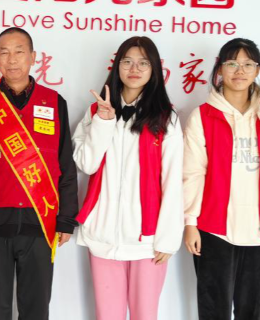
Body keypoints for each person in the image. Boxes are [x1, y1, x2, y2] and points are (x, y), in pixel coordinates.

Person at [0, 27, 78, 320]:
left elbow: (65, 163)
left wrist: (66, 219)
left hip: (40, 222)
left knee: (36, 308)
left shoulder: (53, 102)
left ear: (33, 57)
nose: (12, 59)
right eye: (4, 52)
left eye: (19, 52)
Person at [73, 36, 183, 320]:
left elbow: (173, 181)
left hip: (147, 239)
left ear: (154, 69)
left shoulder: (166, 118)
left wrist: (168, 239)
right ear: (117, 67)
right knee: (107, 314)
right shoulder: (96, 112)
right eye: (127, 62)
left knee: (145, 314)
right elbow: (86, 164)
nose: (134, 69)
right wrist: (104, 121)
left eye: (143, 63)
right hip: (102, 235)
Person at [183, 38, 260, 320]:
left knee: (253, 312)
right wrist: (190, 222)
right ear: (220, 70)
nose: (240, 70)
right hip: (214, 229)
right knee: (214, 311)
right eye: (232, 63)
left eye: (248, 64)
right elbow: (193, 173)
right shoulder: (202, 116)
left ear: (257, 70)